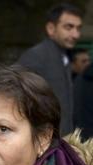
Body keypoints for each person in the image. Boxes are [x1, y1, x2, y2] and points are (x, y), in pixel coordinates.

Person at [17, 3, 82, 136]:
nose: (76, 34)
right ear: (51, 28)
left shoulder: (63, 56)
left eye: (78, 28)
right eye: (69, 27)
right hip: (42, 143)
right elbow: (19, 101)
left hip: (59, 141)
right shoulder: (35, 57)